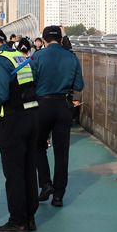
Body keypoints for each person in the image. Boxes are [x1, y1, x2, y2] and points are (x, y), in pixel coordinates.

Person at [0, 28, 39, 232]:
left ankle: (17, 221)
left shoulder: (0, 60)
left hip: (13, 121)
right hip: (32, 117)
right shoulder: (19, 56)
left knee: (13, 173)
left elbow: (2, 94)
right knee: (29, 170)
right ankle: (30, 217)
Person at [30, 26, 84, 208]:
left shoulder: (37, 57)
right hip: (63, 106)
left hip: (41, 105)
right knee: (62, 152)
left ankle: (45, 183)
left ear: (43, 40)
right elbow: (79, 85)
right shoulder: (71, 57)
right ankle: (59, 196)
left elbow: (29, 82)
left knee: (37, 145)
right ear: (61, 39)